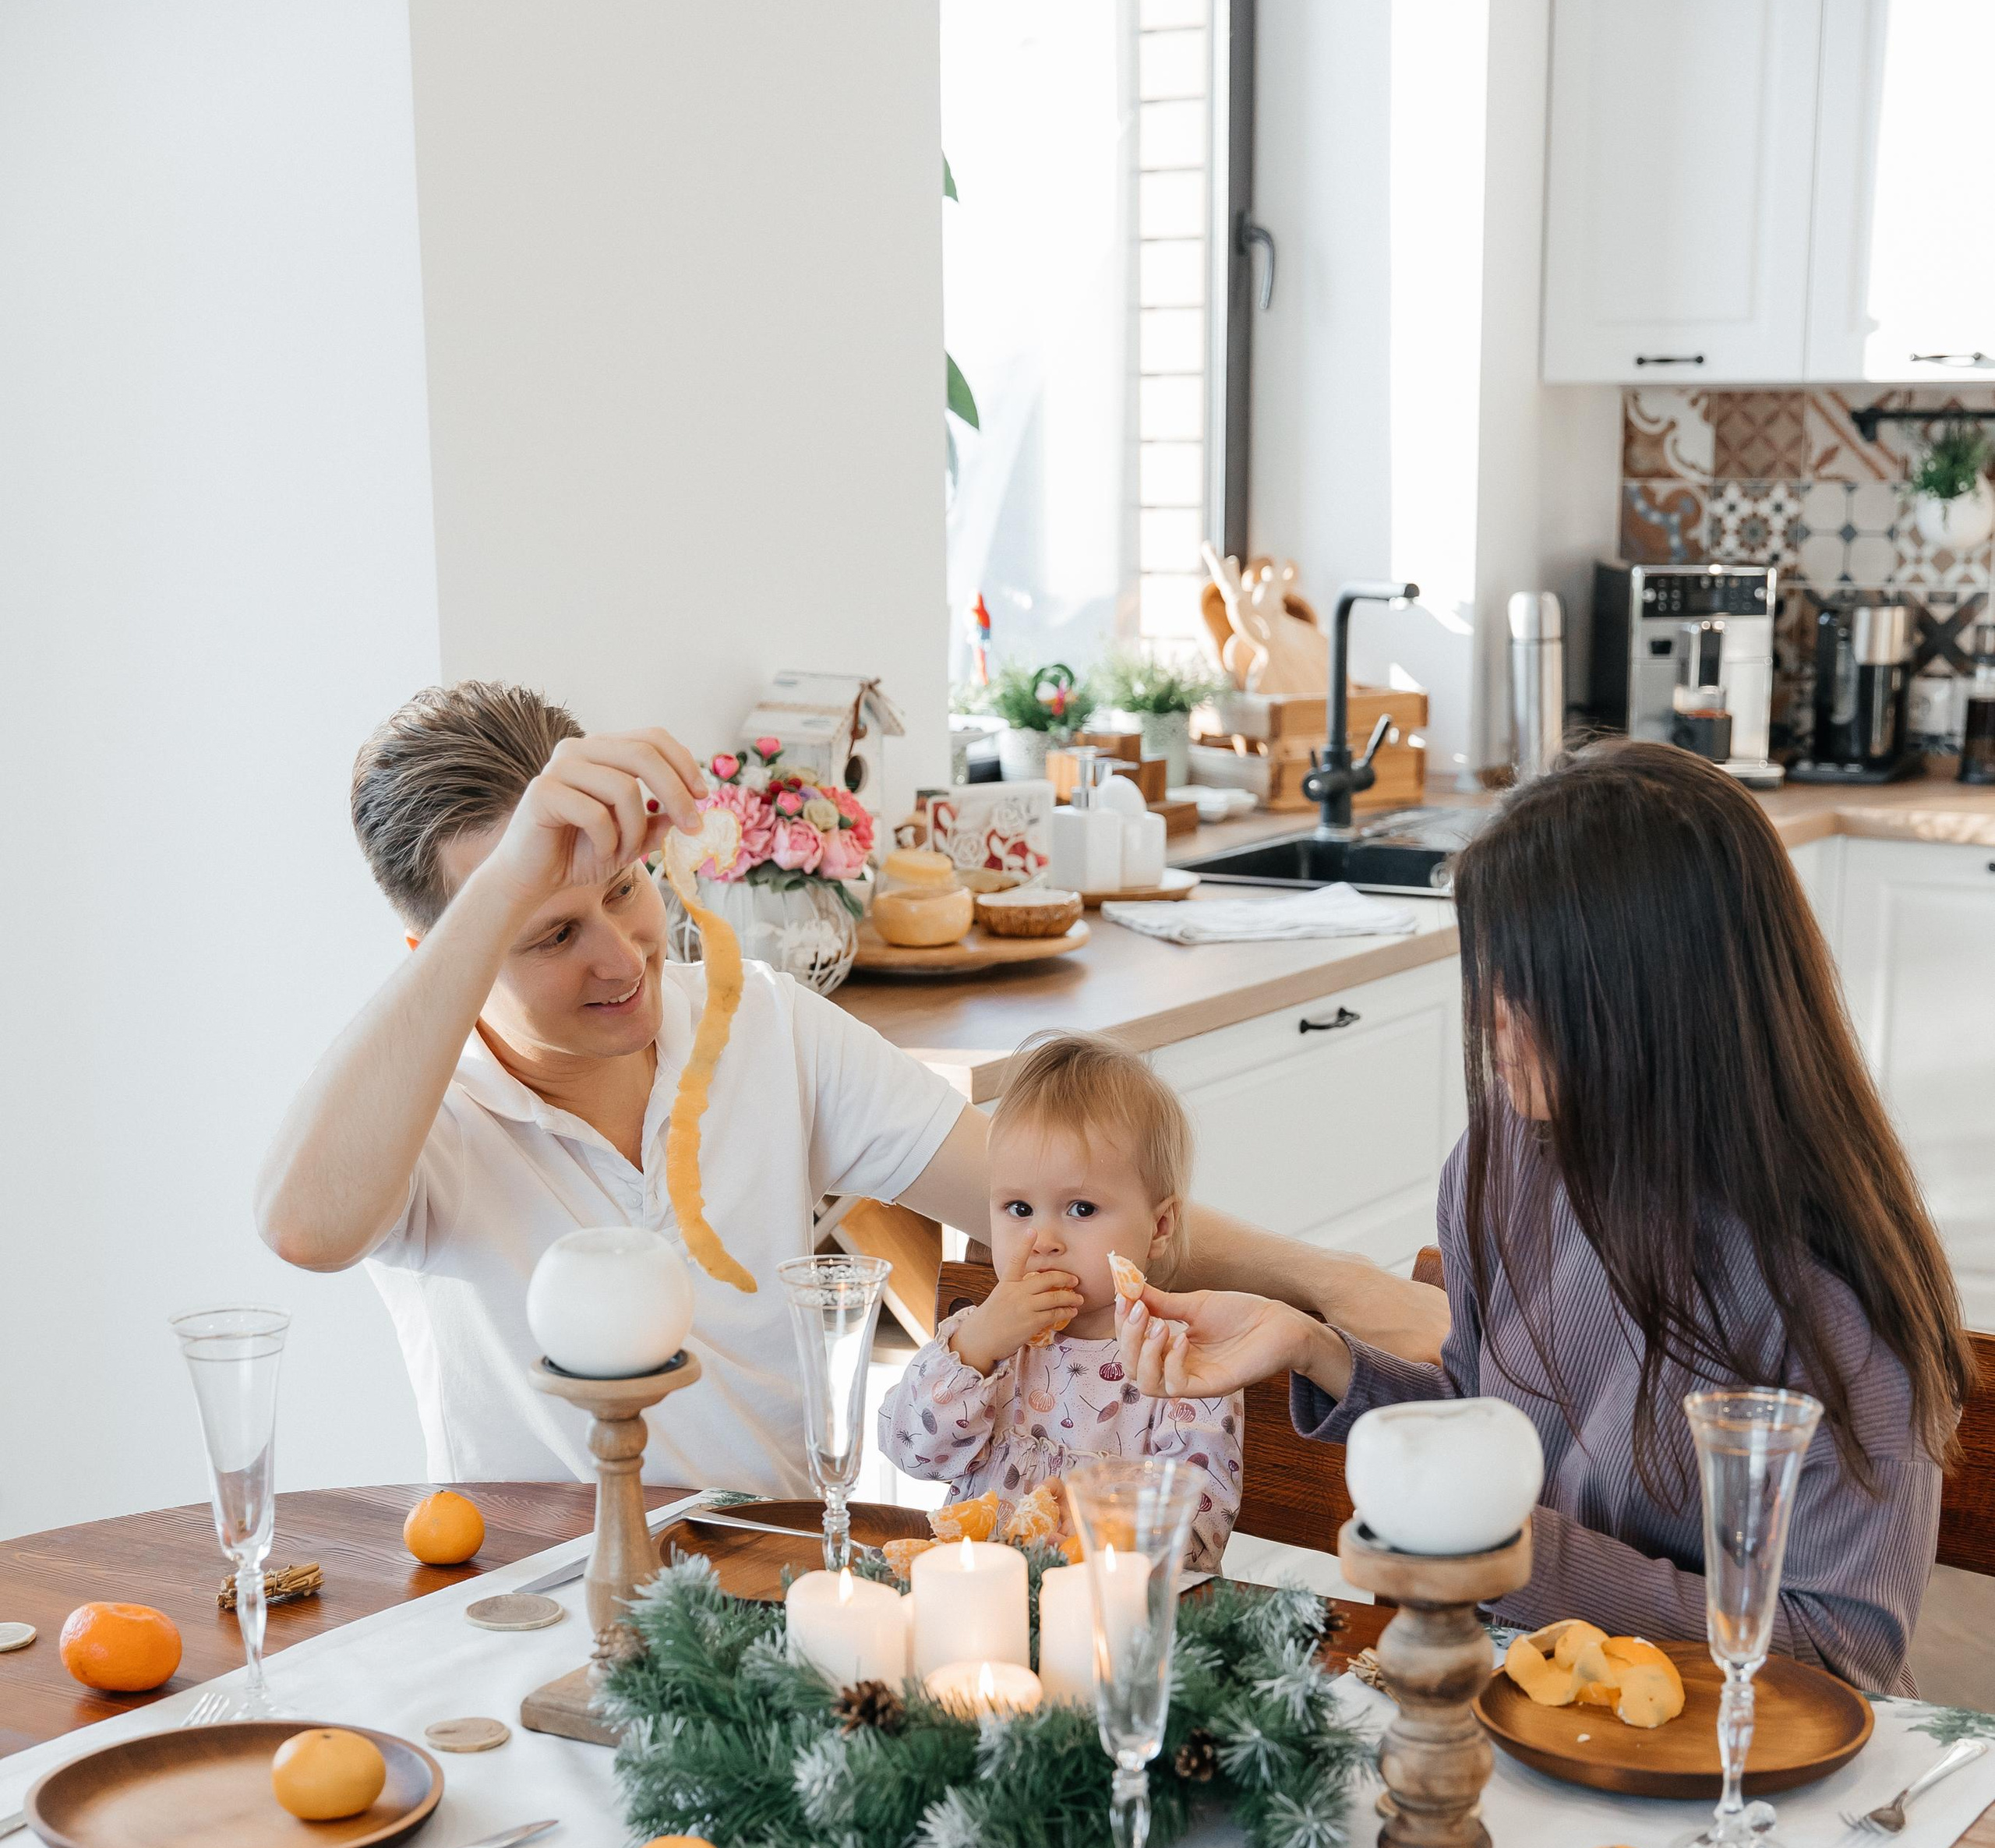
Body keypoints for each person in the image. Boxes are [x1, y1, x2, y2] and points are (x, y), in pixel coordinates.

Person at [258, 684, 1444, 1496]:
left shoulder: (759, 1026)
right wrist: (502, 883)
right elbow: (305, 1226)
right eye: (548, 931)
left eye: (626, 892)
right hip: (524, 1611)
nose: (623, 958)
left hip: (769, 1596)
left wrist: (1343, 1287)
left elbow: (1045, 1194)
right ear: (447, 959)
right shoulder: (425, 1112)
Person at [1117, 741, 1971, 1694]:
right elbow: (1484, 1430)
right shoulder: (1503, 1163)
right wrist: (1319, 1351)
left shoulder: (1827, 1296)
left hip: (1721, 1776)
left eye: (1526, 984)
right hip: (1512, 1704)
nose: (1489, 1017)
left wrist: (1518, 1550)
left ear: (1649, 1003)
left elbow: (1832, 1657)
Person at [878, 1034, 1243, 1572]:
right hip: (981, 1609)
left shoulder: (1181, 1362)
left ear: (1159, 1226)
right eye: (1019, 1207)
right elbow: (911, 1452)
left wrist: (1099, 1525)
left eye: (1081, 1208)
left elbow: (1195, 1537)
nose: (1042, 1239)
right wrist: (975, 1348)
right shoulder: (983, 1344)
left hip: (1109, 1624)